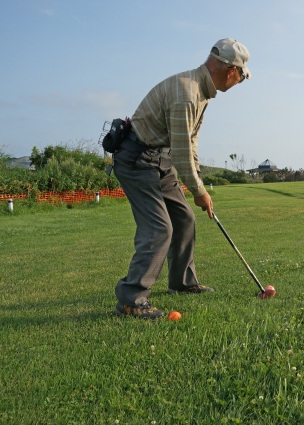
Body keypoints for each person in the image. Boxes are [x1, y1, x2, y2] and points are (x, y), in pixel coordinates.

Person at [113, 38, 251, 319]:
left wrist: (197, 180)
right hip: (137, 159)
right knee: (159, 229)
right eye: (242, 76)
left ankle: (182, 282)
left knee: (184, 218)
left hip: (159, 159)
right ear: (230, 71)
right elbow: (182, 151)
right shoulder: (187, 94)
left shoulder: (202, 90)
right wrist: (200, 191)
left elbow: (191, 142)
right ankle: (131, 300)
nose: (240, 82)